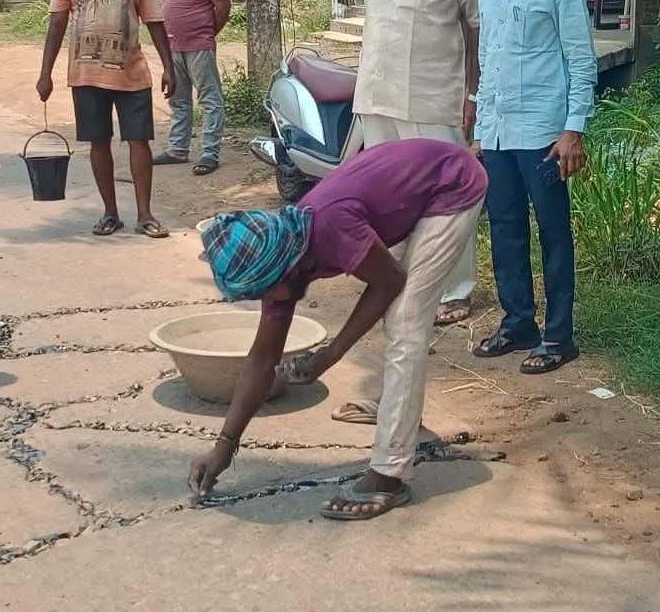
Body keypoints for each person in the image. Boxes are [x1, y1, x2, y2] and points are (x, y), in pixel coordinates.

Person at [188, 138, 487, 519]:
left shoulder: (329, 226)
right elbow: (261, 361)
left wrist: (329, 355)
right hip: (408, 190)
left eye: (264, 291)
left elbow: (389, 282)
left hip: (452, 182)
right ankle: (396, 413)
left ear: (283, 266)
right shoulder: (281, 255)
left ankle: (389, 476)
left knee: (405, 320)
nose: (266, 299)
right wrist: (224, 447)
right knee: (398, 313)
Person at [464, 0, 596, 375]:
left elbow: (580, 62)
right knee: (505, 229)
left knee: (554, 232)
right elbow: (489, 64)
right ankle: (519, 321)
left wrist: (573, 130)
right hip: (499, 135)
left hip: (543, 133)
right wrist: (481, 129)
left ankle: (560, 336)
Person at [354, 0, 486, 328]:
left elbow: (477, 24)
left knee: (445, 194)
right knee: (387, 196)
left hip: (434, 97)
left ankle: (455, 290)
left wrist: (475, 93)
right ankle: (397, 279)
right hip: (378, 93)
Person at [37, 0, 176, 238]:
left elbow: (155, 23)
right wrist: (46, 74)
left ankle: (145, 214)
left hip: (132, 76)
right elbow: (57, 24)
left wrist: (170, 68)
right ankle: (110, 212)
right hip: (86, 77)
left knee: (138, 141)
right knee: (99, 143)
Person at [152, 0, 230, 176]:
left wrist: (207, 32)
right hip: (172, 46)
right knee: (178, 99)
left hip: (199, 46)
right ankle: (177, 149)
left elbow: (222, 6)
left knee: (210, 100)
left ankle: (210, 154)